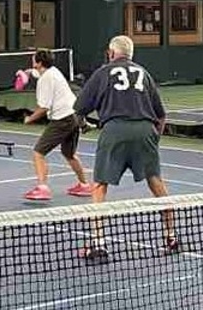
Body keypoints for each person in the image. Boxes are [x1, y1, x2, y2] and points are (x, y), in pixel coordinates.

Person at [73, 34, 177, 259]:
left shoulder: (102, 72)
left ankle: (99, 243)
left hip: (115, 130)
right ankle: (171, 236)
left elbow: (78, 109)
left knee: (99, 186)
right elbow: (161, 116)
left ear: (111, 53)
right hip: (145, 131)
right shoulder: (144, 73)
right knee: (156, 183)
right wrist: (153, 140)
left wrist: (84, 126)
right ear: (131, 54)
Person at [19, 49, 94, 201]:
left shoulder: (45, 80)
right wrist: (27, 73)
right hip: (74, 116)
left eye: (33, 60)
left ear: (39, 63)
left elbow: (44, 108)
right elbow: (37, 72)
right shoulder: (53, 71)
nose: (32, 62)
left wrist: (30, 119)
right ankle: (85, 186)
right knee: (69, 154)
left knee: (38, 153)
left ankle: (42, 189)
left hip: (62, 119)